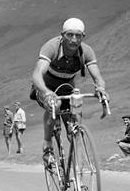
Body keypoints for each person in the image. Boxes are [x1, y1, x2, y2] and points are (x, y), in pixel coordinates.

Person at [31, 18, 109, 167]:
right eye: (70, 35)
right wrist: (46, 93)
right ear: (62, 35)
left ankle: (77, 166)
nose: (74, 39)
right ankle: (47, 144)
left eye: (78, 35)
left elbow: (98, 77)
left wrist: (101, 89)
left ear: (83, 36)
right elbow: (36, 75)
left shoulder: (86, 51)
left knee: (74, 119)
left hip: (67, 87)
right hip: (44, 86)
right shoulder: (51, 47)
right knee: (56, 104)